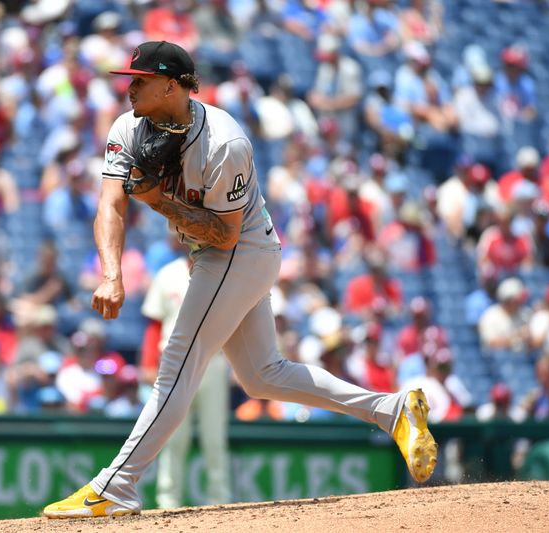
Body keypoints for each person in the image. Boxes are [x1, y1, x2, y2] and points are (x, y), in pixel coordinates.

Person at [43, 41, 437, 519]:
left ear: (171, 85)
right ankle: (393, 410)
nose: (129, 88)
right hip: (215, 252)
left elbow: (224, 237)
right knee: (262, 375)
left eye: (139, 80)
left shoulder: (224, 142)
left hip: (241, 251)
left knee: (177, 364)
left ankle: (116, 486)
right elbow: (110, 203)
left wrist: (157, 200)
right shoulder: (128, 126)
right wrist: (111, 274)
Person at [140, 254, 231, 509]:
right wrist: (148, 363)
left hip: (213, 359)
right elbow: (154, 323)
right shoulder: (168, 273)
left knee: (214, 436)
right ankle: (168, 502)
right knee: (172, 437)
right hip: (174, 360)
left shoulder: (223, 268)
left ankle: (219, 501)